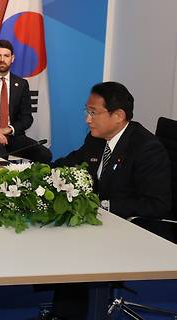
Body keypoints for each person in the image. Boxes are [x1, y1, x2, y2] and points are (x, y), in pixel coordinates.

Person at [50, 81, 171, 320]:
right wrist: (27, 171)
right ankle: (64, 311)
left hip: (136, 228)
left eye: (93, 112)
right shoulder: (98, 138)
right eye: (87, 111)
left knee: (73, 249)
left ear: (118, 116)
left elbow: (157, 205)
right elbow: (69, 163)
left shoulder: (147, 148)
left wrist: (102, 205)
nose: (88, 119)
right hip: (102, 225)